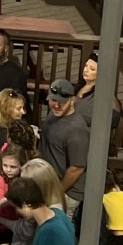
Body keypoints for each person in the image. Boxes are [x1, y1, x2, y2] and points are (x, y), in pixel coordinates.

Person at [39, 79, 88, 222]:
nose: (57, 105)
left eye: (62, 101)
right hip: (50, 187)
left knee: (59, 233)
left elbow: (77, 168)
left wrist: (57, 192)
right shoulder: (53, 115)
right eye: (53, 100)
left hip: (67, 193)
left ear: (72, 100)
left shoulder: (76, 129)